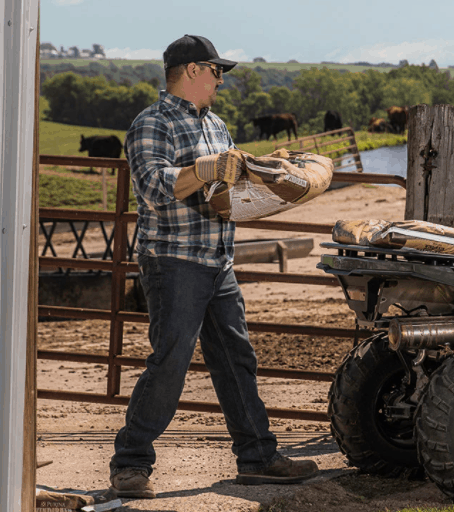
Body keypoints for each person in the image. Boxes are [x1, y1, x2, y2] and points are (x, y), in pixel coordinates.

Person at [108, 34, 318, 499]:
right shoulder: (151, 124)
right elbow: (152, 186)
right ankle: (130, 463)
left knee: (235, 358)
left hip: (218, 261)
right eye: (216, 71)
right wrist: (204, 169)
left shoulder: (218, 125)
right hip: (174, 261)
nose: (221, 80)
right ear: (192, 71)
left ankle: (258, 458)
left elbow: (227, 189)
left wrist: (267, 175)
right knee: (170, 363)